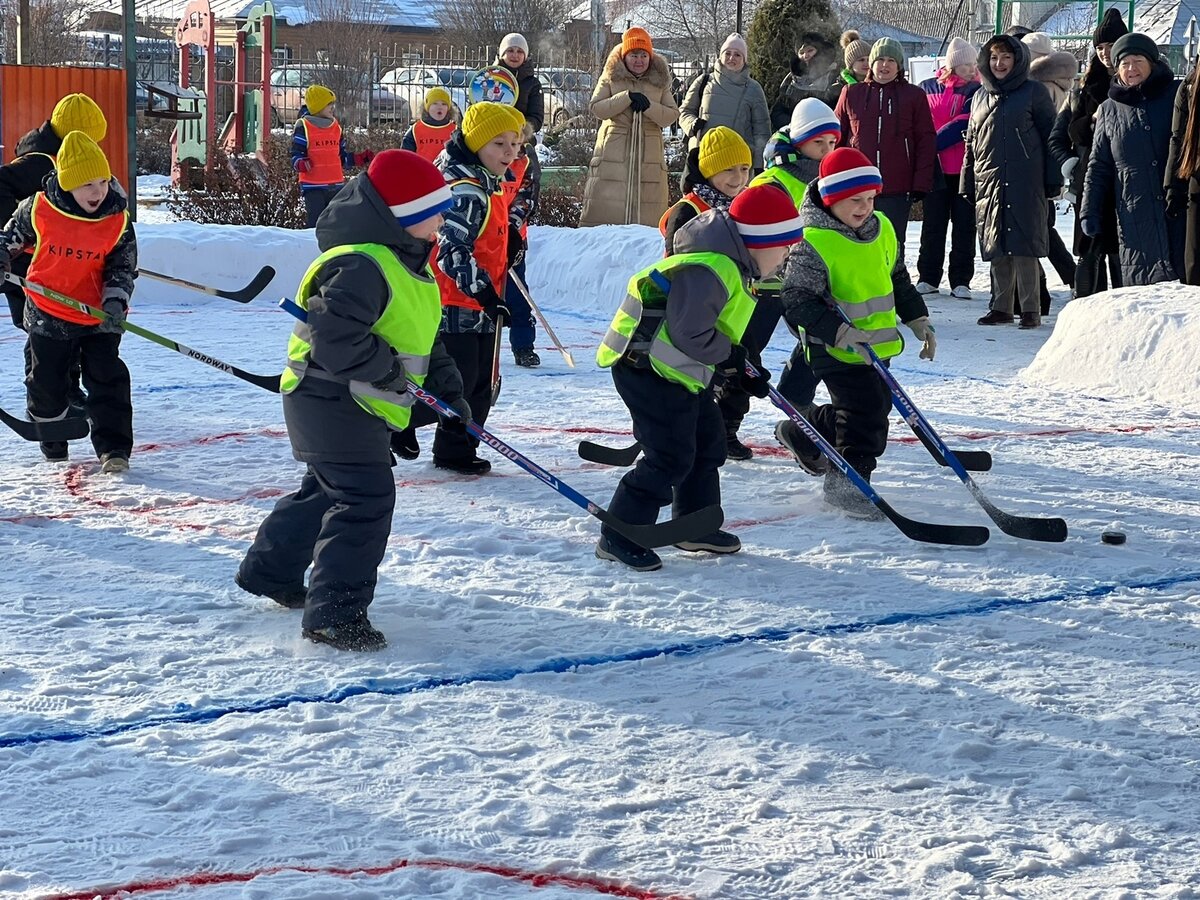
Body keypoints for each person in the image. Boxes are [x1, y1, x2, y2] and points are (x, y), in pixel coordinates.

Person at [237, 149, 463, 652]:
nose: (443, 219)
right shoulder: (362, 264)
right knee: (364, 497)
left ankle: (269, 571)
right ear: (402, 214)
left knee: (326, 490)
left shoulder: (411, 266)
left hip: (353, 402)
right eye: (435, 209)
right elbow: (336, 338)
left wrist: (450, 393)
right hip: (327, 397)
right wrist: (385, 370)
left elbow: (425, 339)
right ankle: (334, 614)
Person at [594, 185, 803, 571]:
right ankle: (620, 533)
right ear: (758, 241)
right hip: (648, 371)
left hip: (679, 373)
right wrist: (731, 357)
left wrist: (741, 367)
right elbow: (692, 333)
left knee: (708, 444)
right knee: (670, 456)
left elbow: (718, 332)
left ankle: (694, 522)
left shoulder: (734, 267)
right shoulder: (713, 268)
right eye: (784, 246)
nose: (787, 257)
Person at [779, 147, 935, 518]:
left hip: (878, 345)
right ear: (831, 199)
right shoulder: (812, 241)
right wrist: (838, 332)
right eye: (854, 200)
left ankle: (801, 431)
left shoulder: (882, 230)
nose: (864, 207)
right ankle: (846, 486)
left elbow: (897, 279)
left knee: (869, 410)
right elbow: (795, 300)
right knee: (865, 417)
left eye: (869, 198)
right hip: (832, 348)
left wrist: (918, 319)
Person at [0, 131, 136, 470]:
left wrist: (115, 301)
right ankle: (53, 439)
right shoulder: (39, 209)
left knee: (108, 378)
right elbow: (8, 238)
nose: (98, 191)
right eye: (88, 184)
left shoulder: (116, 219)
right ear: (68, 183)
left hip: (98, 314)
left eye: (103, 181)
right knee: (47, 383)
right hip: (49, 310)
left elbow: (123, 265)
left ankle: (114, 449)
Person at [430, 101, 528, 473]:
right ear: (475, 145)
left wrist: (509, 244)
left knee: (483, 382)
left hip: (483, 299)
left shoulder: (489, 183)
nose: (509, 153)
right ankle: (448, 447)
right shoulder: (467, 189)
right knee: (465, 382)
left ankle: (459, 446)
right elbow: (449, 249)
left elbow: (484, 236)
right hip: (458, 300)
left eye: (514, 144)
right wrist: (484, 293)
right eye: (498, 144)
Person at [0, 93, 108, 408]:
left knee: (64, 329)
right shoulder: (40, 163)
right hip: (24, 264)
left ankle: (65, 392)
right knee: (43, 334)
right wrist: (20, 229)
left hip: (50, 263)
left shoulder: (57, 160)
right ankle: (45, 400)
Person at [751, 97, 841, 464]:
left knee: (816, 339)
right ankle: (722, 419)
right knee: (743, 354)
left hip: (805, 279)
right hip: (767, 283)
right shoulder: (774, 178)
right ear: (800, 140)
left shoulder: (828, 179)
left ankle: (796, 402)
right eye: (818, 143)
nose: (826, 151)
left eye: (833, 143)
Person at [966, 34, 1060, 329]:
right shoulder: (980, 95)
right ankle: (1001, 307)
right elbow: (972, 141)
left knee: (1025, 245)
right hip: (989, 179)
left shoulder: (1034, 92)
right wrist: (967, 181)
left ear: (1018, 60)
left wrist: (1052, 180)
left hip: (1026, 180)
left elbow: (1051, 137)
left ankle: (1030, 309)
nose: (999, 63)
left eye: (1006, 57)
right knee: (997, 245)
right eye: (994, 58)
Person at [1081, 33, 1184, 287]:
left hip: (1179, 208)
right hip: (1135, 214)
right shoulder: (1109, 109)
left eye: (1137, 61)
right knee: (1144, 299)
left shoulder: (1177, 96)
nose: (1131, 68)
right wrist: (1089, 210)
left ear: (1152, 62)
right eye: (1124, 64)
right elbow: (1099, 166)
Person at [1048, 7, 1127, 297]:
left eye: (1110, 45)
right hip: (1090, 182)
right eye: (1099, 47)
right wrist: (1073, 162)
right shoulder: (1083, 89)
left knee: (1122, 254)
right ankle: (1088, 311)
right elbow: (1060, 136)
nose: (1105, 52)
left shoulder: (1134, 84)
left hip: (1125, 182)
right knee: (1090, 251)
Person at [835, 37, 936, 258]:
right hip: (857, 186)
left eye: (891, 60)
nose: (885, 65)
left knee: (892, 243)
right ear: (871, 63)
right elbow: (837, 139)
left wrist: (920, 182)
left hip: (897, 186)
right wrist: (835, 178)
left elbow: (926, 140)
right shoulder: (852, 94)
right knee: (856, 242)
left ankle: (892, 289)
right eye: (880, 59)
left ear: (899, 65)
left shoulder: (914, 95)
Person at [580, 28, 679, 226]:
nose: (639, 60)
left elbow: (671, 115)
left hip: (648, 155)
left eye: (644, 55)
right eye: (634, 55)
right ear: (625, 56)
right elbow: (597, 108)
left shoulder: (660, 80)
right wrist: (625, 98)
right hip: (612, 153)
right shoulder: (611, 75)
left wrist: (649, 106)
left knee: (647, 223)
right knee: (604, 218)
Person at [916, 37, 980, 299]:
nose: (970, 69)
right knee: (933, 224)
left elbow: (963, 124)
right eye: (965, 65)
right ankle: (928, 276)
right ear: (953, 65)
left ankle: (961, 279)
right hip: (936, 169)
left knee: (965, 225)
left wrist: (929, 143)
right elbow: (919, 120)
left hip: (965, 168)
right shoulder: (926, 87)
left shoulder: (976, 91)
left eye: (973, 64)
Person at [1022, 30, 1079, 310]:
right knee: (1044, 228)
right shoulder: (1061, 84)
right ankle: (1070, 276)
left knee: (1036, 231)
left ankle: (1043, 292)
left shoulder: (1037, 87)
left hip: (1036, 169)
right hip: (1051, 169)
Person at [679, 33, 771, 170]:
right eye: (727, 53)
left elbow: (761, 131)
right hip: (703, 158)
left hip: (737, 164)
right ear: (720, 56)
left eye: (737, 55)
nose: (731, 58)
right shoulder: (703, 82)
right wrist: (691, 125)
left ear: (744, 60)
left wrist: (759, 166)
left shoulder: (754, 89)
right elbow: (685, 111)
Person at [291, 85, 373, 227]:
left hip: (336, 185)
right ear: (318, 106)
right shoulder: (303, 126)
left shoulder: (336, 127)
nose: (332, 107)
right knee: (315, 225)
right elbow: (295, 154)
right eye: (329, 104)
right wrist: (300, 163)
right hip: (313, 187)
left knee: (336, 225)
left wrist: (359, 159)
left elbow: (341, 158)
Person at [661, 126, 752, 254]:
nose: (738, 177)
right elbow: (672, 266)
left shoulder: (748, 202)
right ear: (709, 172)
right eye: (728, 169)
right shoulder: (687, 211)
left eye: (744, 169)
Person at [502, 120, 543, 368]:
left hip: (514, 241)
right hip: (484, 242)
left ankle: (524, 346)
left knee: (518, 295)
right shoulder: (484, 161)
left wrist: (510, 224)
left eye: (517, 142)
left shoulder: (526, 163)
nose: (511, 148)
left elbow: (527, 198)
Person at [1165, 48, 1200, 285]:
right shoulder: (1189, 85)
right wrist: (1173, 187)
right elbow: (1178, 138)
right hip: (1197, 183)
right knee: (1195, 265)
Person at [772, 32, 839, 126]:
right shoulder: (791, 81)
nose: (805, 56)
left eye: (810, 50)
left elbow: (838, 113)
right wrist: (794, 126)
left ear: (821, 51)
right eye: (801, 52)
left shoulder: (834, 79)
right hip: (794, 134)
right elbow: (778, 112)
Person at [494, 33, 545, 137]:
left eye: (520, 51)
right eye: (510, 50)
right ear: (502, 53)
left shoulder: (533, 84)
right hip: (491, 136)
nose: (515, 55)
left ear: (525, 56)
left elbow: (536, 118)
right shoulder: (489, 78)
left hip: (519, 139)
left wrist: (519, 128)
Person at [401, 87, 456, 163]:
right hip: (421, 173)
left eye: (444, 104)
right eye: (435, 103)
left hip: (447, 173)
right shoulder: (415, 130)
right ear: (427, 107)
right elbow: (404, 159)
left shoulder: (455, 131)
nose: (439, 107)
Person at [825, 31, 873, 109]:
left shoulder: (877, 85)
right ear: (850, 64)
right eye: (861, 60)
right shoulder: (837, 90)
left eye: (869, 59)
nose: (866, 63)